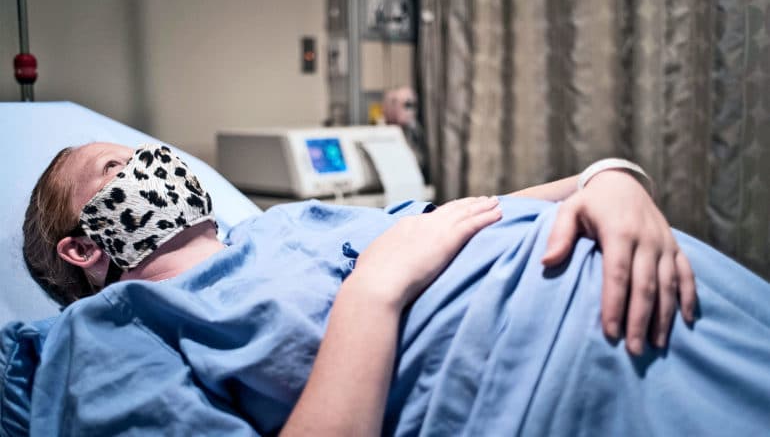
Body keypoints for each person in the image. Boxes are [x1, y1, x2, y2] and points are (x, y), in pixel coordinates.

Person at [21, 142, 712, 435]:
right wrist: (372, 292)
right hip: (572, 377)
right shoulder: (104, 335)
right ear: (82, 246)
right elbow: (397, 261)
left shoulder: (285, 224)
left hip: (647, 274)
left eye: (148, 154)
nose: (153, 165)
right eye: (118, 166)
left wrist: (610, 178)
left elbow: (466, 215)